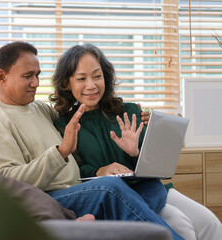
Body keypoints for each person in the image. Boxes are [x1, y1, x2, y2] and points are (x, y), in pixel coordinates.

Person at [0, 41, 184, 239]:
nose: (36, 82)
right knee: (109, 189)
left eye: (37, 75)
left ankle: (103, 226)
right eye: (28, 76)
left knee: (151, 186)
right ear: (2, 77)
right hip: (52, 196)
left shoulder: (37, 108)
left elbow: (75, 121)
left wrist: (147, 119)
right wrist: (60, 152)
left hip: (77, 188)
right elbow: (5, 184)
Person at [50, 43, 222, 240]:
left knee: (210, 223)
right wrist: (99, 171)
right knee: (180, 224)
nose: (91, 85)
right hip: (119, 200)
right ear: (66, 83)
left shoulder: (130, 111)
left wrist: (136, 152)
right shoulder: (65, 125)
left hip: (151, 189)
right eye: (81, 79)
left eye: (97, 76)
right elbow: (71, 172)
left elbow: (155, 162)